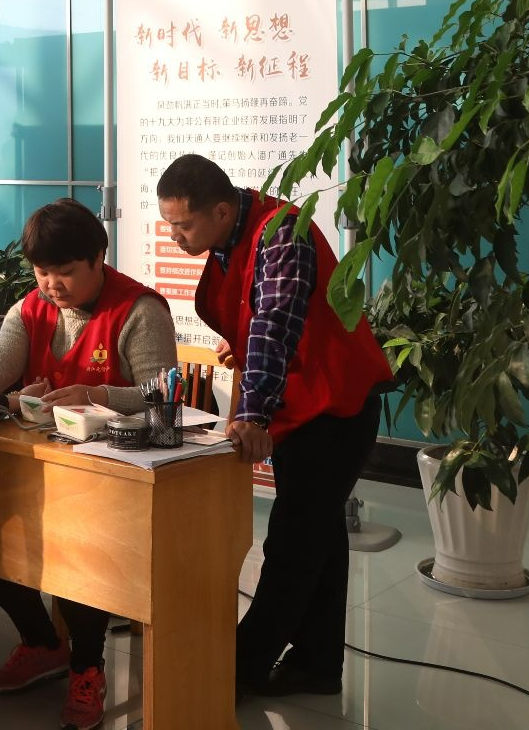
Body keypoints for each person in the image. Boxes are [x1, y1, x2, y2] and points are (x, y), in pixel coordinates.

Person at [155, 155, 391, 699]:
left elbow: (275, 322)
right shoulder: (230, 235)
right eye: (169, 224)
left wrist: (253, 413)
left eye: (182, 225)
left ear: (220, 211)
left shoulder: (282, 232)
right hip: (303, 402)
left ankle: (239, 668)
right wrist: (239, 346)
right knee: (319, 535)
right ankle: (317, 664)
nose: (174, 236)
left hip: (335, 407)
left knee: (292, 541)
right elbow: (254, 314)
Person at [0, 198, 174, 730]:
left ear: (98, 258)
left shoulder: (139, 311)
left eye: (64, 271)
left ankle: (88, 668)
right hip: (39, 468)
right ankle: (42, 643)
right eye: (42, 272)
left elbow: (161, 398)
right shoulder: (29, 309)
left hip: (112, 479)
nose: (51, 285)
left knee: (81, 555)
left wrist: (98, 394)